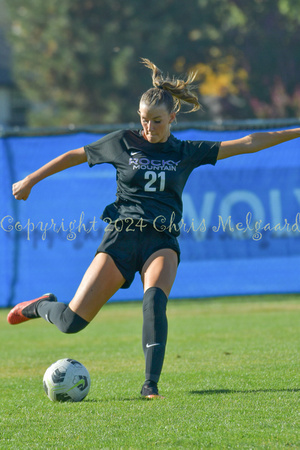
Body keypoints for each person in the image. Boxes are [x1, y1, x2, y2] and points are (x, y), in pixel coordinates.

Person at [7, 58, 300, 399]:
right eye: (144, 120)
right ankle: (40, 305)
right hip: (120, 238)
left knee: (154, 302)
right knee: (71, 322)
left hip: (161, 240)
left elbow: (248, 142)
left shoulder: (185, 151)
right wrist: (30, 179)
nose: (149, 128)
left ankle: (150, 385)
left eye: (157, 121)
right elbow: (74, 155)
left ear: (173, 118)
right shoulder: (123, 142)